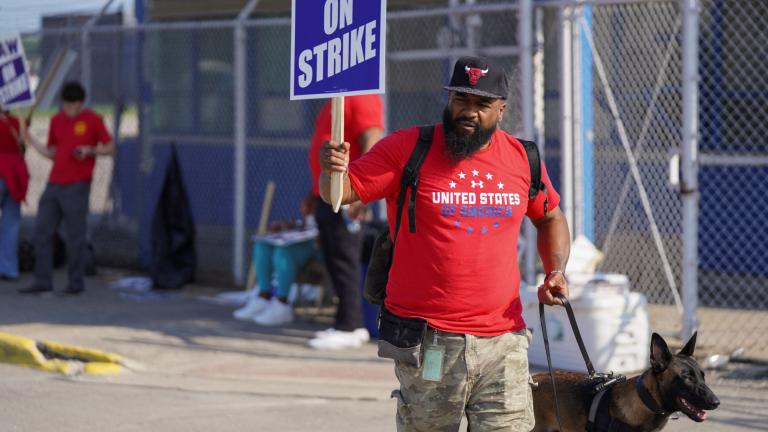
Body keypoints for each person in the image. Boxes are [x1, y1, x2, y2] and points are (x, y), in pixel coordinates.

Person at [318, 56, 571, 430]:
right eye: (460, 101)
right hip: (429, 341)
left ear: (501, 109)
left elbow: (550, 217)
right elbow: (338, 194)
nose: (468, 113)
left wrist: (556, 271)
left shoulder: (523, 158)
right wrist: (331, 170)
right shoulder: (408, 148)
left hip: (503, 340)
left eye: (481, 105)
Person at [19, 81, 114, 295]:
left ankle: (75, 282)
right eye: (67, 106)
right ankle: (42, 280)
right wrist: (31, 140)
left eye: (74, 106)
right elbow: (52, 152)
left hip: (78, 185)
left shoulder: (93, 120)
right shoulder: (56, 120)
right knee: (42, 231)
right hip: (55, 184)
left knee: (75, 236)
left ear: (82, 104)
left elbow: (110, 147)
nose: (70, 110)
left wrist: (90, 151)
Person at [306, 94, 384, 350]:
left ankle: (351, 325)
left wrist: (362, 191)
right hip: (326, 194)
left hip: (347, 195)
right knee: (333, 257)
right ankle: (344, 322)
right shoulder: (337, 97)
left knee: (345, 260)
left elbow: (372, 140)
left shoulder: (362, 96)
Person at [234, 195, 320, 326]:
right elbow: (308, 224)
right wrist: (292, 225)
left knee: (283, 251)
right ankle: (263, 296)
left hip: (324, 247)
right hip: (310, 237)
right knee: (262, 245)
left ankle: (282, 303)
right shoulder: (318, 189)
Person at [0, 108, 30, 281]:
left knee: (10, 223)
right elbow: (22, 148)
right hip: (16, 176)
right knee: (11, 223)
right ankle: (9, 268)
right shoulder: (17, 123)